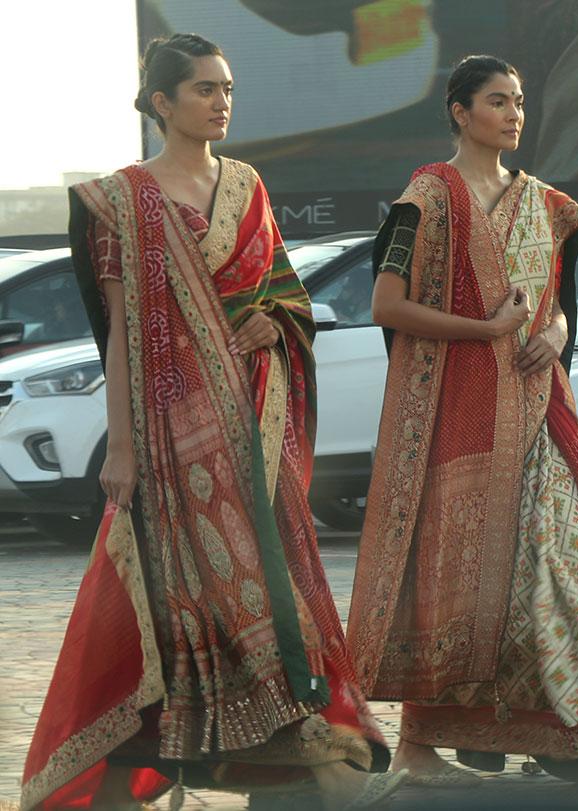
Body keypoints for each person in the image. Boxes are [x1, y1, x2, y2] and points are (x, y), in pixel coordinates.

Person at [20, 34, 404, 811]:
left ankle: (293, 765)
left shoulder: (249, 185)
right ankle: (130, 768)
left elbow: (288, 295)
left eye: (227, 88)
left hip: (254, 429)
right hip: (169, 433)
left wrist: (273, 320)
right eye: (204, 89)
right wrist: (122, 448)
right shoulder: (123, 199)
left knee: (269, 592)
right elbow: (124, 332)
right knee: (161, 608)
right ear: (162, 103)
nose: (221, 101)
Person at [346, 54, 578, 786]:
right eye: (496, 101)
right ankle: (425, 745)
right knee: (454, 584)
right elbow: (386, 306)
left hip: (541, 416)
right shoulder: (426, 197)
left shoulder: (546, 204)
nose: (514, 113)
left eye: (518, 100)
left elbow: (562, 311)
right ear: (459, 111)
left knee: (568, 563)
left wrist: (556, 336)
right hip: (459, 420)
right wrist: (483, 332)